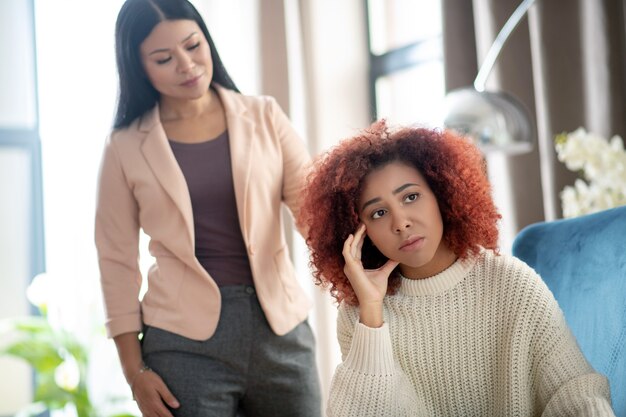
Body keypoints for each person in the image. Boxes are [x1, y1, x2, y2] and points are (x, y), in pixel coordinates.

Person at [94, 1, 321, 416]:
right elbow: (116, 262)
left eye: (193, 46)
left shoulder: (265, 116)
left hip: (282, 330)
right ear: (138, 66)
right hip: (183, 345)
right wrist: (134, 372)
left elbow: (315, 213)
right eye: (164, 58)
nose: (187, 65)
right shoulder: (125, 147)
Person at [297, 121, 615, 416]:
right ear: (358, 231)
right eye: (378, 213)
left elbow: (573, 392)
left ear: (442, 195)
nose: (401, 222)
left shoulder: (510, 283)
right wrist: (371, 311)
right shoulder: (361, 315)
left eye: (410, 196)